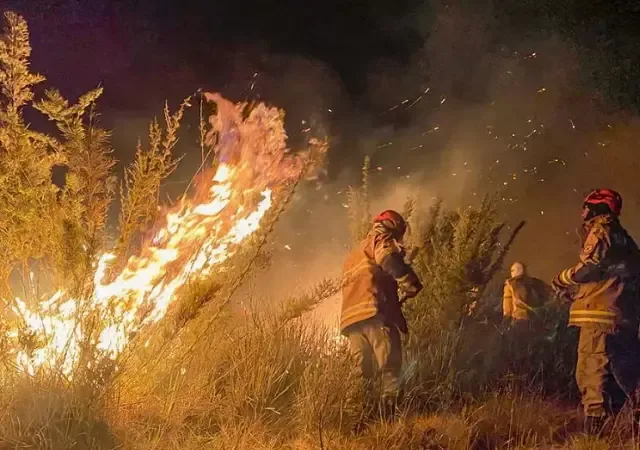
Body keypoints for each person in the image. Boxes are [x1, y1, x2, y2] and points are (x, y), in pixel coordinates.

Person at [552, 188, 640, 434]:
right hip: (624, 317)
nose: (583, 211)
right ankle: (629, 429)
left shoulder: (602, 231)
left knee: (592, 370)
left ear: (598, 208)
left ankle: (594, 434)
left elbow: (589, 268)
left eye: (587, 206)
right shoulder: (626, 239)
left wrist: (563, 279)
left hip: (598, 316)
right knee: (627, 374)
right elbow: (613, 277)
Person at [340, 210, 423, 418]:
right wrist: (410, 283)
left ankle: (357, 422)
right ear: (393, 227)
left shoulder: (354, 252)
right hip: (374, 313)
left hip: (351, 319)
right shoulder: (381, 239)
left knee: (360, 374)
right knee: (390, 366)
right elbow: (389, 262)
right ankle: (390, 420)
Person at [502, 262, 547, 329]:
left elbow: (507, 305)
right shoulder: (535, 282)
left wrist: (506, 319)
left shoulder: (510, 285)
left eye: (512, 270)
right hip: (537, 317)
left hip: (520, 318)